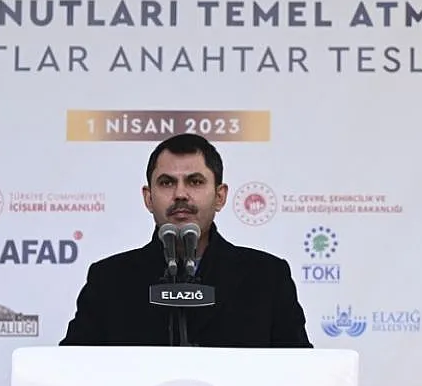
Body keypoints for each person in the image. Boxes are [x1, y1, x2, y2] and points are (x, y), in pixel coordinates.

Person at [59, 133, 313, 348]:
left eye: (195, 182)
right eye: (167, 182)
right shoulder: (109, 279)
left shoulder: (267, 276)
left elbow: (300, 372)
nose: (180, 194)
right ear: (148, 198)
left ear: (220, 196)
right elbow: (72, 369)